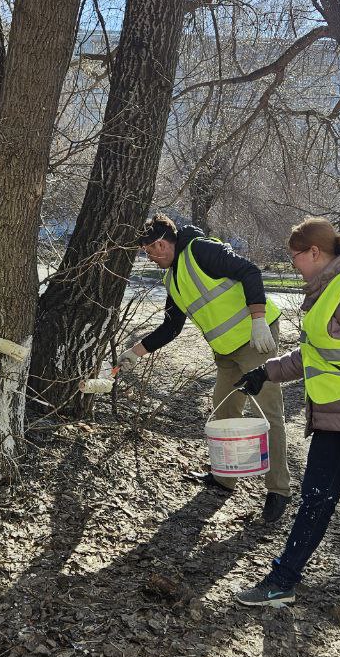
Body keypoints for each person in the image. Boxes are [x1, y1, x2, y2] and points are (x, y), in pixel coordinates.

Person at [232, 216, 340, 624]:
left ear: (314, 252)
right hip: (334, 422)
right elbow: (315, 354)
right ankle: (282, 581)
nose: (292, 263)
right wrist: (267, 372)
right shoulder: (327, 291)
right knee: (314, 502)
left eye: (295, 256)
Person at [121, 214, 290, 523]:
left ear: (161, 243)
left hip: (257, 339)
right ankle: (225, 478)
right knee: (224, 412)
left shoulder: (200, 250)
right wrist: (134, 353)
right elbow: (171, 327)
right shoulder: (171, 278)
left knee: (267, 413)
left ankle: (278, 490)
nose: (149, 256)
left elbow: (250, 271)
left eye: (149, 250)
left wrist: (258, 319)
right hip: (226, 352)